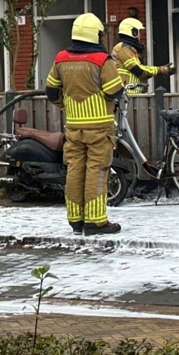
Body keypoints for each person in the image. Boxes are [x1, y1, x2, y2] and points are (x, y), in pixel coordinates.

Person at [45, 13, 124, 236]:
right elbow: (114, 91)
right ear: (95, 34)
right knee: (96, 171)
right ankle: (96, 221)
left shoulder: (61, 58)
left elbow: (51, 91)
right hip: (100, 127)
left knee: (75, 171)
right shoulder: (102, 59)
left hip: (73, 126)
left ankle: (75, 218)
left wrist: (68, 106)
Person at [111, 17, 174, 88]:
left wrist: (160, 70)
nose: (140, 35)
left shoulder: (129, 48)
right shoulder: (123, 48)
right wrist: (160, 69)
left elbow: (143, 71)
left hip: (131, 93)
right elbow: (138, 70)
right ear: (133, 32)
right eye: (138, 32)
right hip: (126, 94)